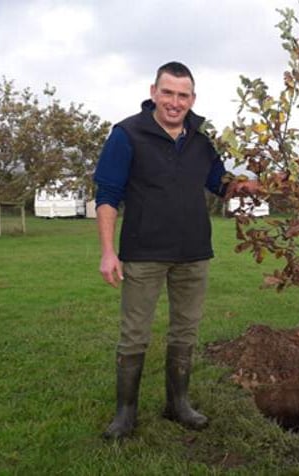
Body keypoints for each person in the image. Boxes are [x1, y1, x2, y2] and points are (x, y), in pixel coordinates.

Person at [94, 61, 257, 440]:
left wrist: (257, 185)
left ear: (192, 99)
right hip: (143, 251)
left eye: (183, 95)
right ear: (153, 92)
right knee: (134, 334)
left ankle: (178, 404)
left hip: (193, 251)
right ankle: (125, 414)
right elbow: (107, 196)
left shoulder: (202, 139)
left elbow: (222, 184)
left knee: (185, 332)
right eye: (167, 92)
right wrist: (107, 251)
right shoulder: (127, 134)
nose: (174, 101)